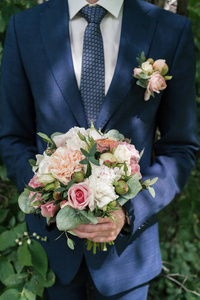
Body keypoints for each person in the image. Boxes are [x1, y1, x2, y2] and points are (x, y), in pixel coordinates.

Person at [0, 0, 199, 299]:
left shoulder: (170, 29)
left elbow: (180, 147)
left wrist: (129, 212)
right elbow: (12, 137)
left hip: (128, 256)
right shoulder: (25, 27)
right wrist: (50, 201)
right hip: (54, 251)